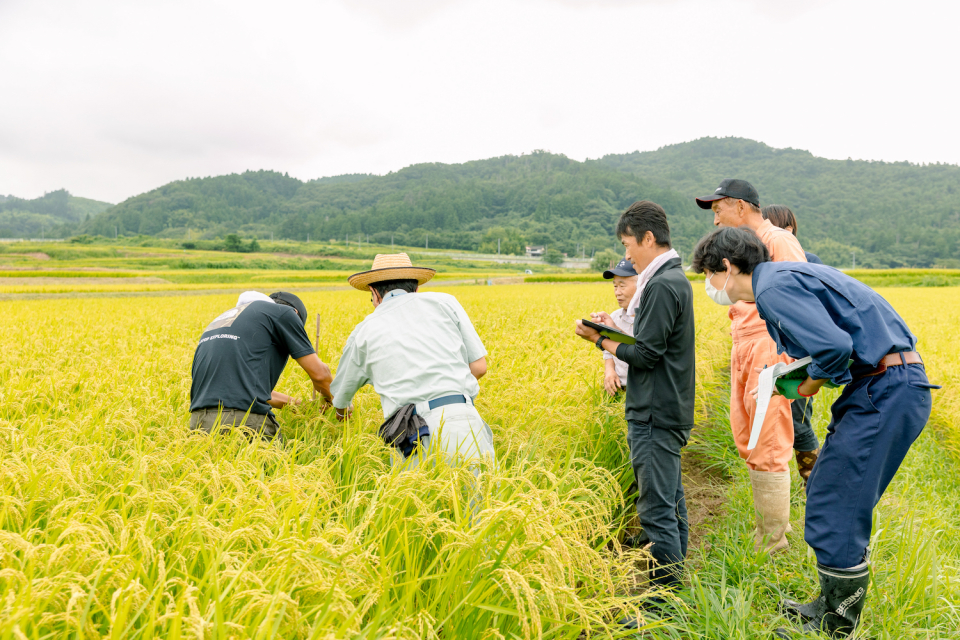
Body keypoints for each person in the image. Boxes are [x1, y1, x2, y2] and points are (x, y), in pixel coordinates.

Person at [691, 227, 936, 638]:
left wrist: (807, 385)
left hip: (887, 389)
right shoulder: (787, 276)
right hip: (882, 387)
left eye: (709, 275)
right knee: (825, 486)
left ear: (728, 267)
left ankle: (837, 623)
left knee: (838, 499)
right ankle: (826, 604)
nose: (711, 286)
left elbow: (834, 347)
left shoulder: (772, 289)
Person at [574, 201, 695, 619]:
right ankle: (677, 589)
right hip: (666, 406)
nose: (626, 257)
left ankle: (664, 607)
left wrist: (598, 340)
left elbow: (645, 354)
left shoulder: (661, 284)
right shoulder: (669, 279)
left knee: (656, 508)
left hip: (654, 411)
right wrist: (610, 336)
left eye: (628, 246)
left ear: (647, 238)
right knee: (671, 499)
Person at [696, 179, 808, 554]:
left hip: (767, 341)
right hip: (743, 340)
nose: (716, 221)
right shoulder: (744, 245)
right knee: (746, 434)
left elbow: (799, 297)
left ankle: (776, 541)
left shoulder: (776, 240)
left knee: (768, 436)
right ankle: (766, 531)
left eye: (718, 210)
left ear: (740, 207)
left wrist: (788, 359)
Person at [329, 253, 494, 470]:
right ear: (416, 288)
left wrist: (342, 413)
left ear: (374, 293)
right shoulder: (445, 302)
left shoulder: (364, 330)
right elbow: (479, 367)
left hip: (412, 433)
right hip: (465, 421)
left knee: (418, 501)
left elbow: (340, 397)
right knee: (480, 500)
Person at [190, 290, 334, 441]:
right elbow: (320, 374)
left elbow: (248, 392)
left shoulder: (224, 320)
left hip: (199, 423)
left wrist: (302, 406)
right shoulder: (284, 313)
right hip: (244, 422)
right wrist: (337, 402)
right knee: (284, 463)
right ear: (295, 313)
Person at [762, 204, 822, 482]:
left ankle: (815, 478)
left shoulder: (807, 262)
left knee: (796, 419)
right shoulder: (763, 266)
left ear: (788, 231)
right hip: (773, 352)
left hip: (799, 354)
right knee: (779, 418)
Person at [599, 259, 638, 395]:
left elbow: (644, 352)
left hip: (642, 393)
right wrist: (609, 370)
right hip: (617, 390)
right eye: (615, 286)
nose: (617, 292)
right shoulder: (614, 317)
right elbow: (608, 350)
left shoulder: (651, 319)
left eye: (622, 286)